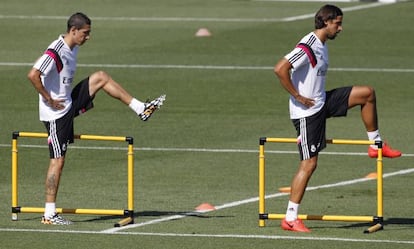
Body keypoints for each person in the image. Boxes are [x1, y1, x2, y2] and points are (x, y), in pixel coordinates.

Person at [27, 12, 166, 225]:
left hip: (68, 103)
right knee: (58, 160)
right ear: (73, 31)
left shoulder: (72, 49)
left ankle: (141, 109)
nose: (88, 37)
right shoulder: (56, 50)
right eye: (85, 33)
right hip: (56, 114)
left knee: (100, 77)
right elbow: (33, 75)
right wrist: (49, 99)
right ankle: (49, 214)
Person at [273, 4, 401, 232]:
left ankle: (375, 145)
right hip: (307, 112)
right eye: (338, 23)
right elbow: (280, 68)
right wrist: (297, 96)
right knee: (309, 163)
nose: (340, 29)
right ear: (325, 22)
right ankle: (290, 218)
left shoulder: (323, 45)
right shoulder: (308, 46)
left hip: (322, 102)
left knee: (367, 94)